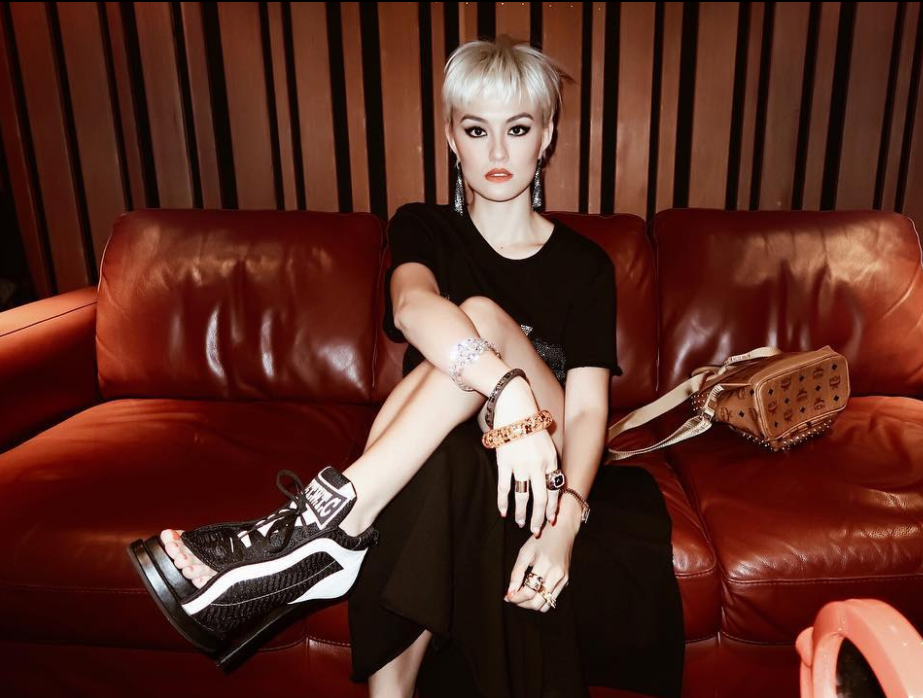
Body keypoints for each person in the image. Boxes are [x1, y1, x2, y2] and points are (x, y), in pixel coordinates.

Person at [145, 35, 683, 697]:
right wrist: (500, 387)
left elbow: (588, 410)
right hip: (438, 441)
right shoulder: (424, 227)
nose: (497, 152)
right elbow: (410, 307)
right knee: (440, 464)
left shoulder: (586, 265)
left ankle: (319, 531)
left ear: (546, 136)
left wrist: (564, 521)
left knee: (479, 314)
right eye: (476, 130)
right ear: (452, 138)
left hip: (542, 451)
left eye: (517, 130)